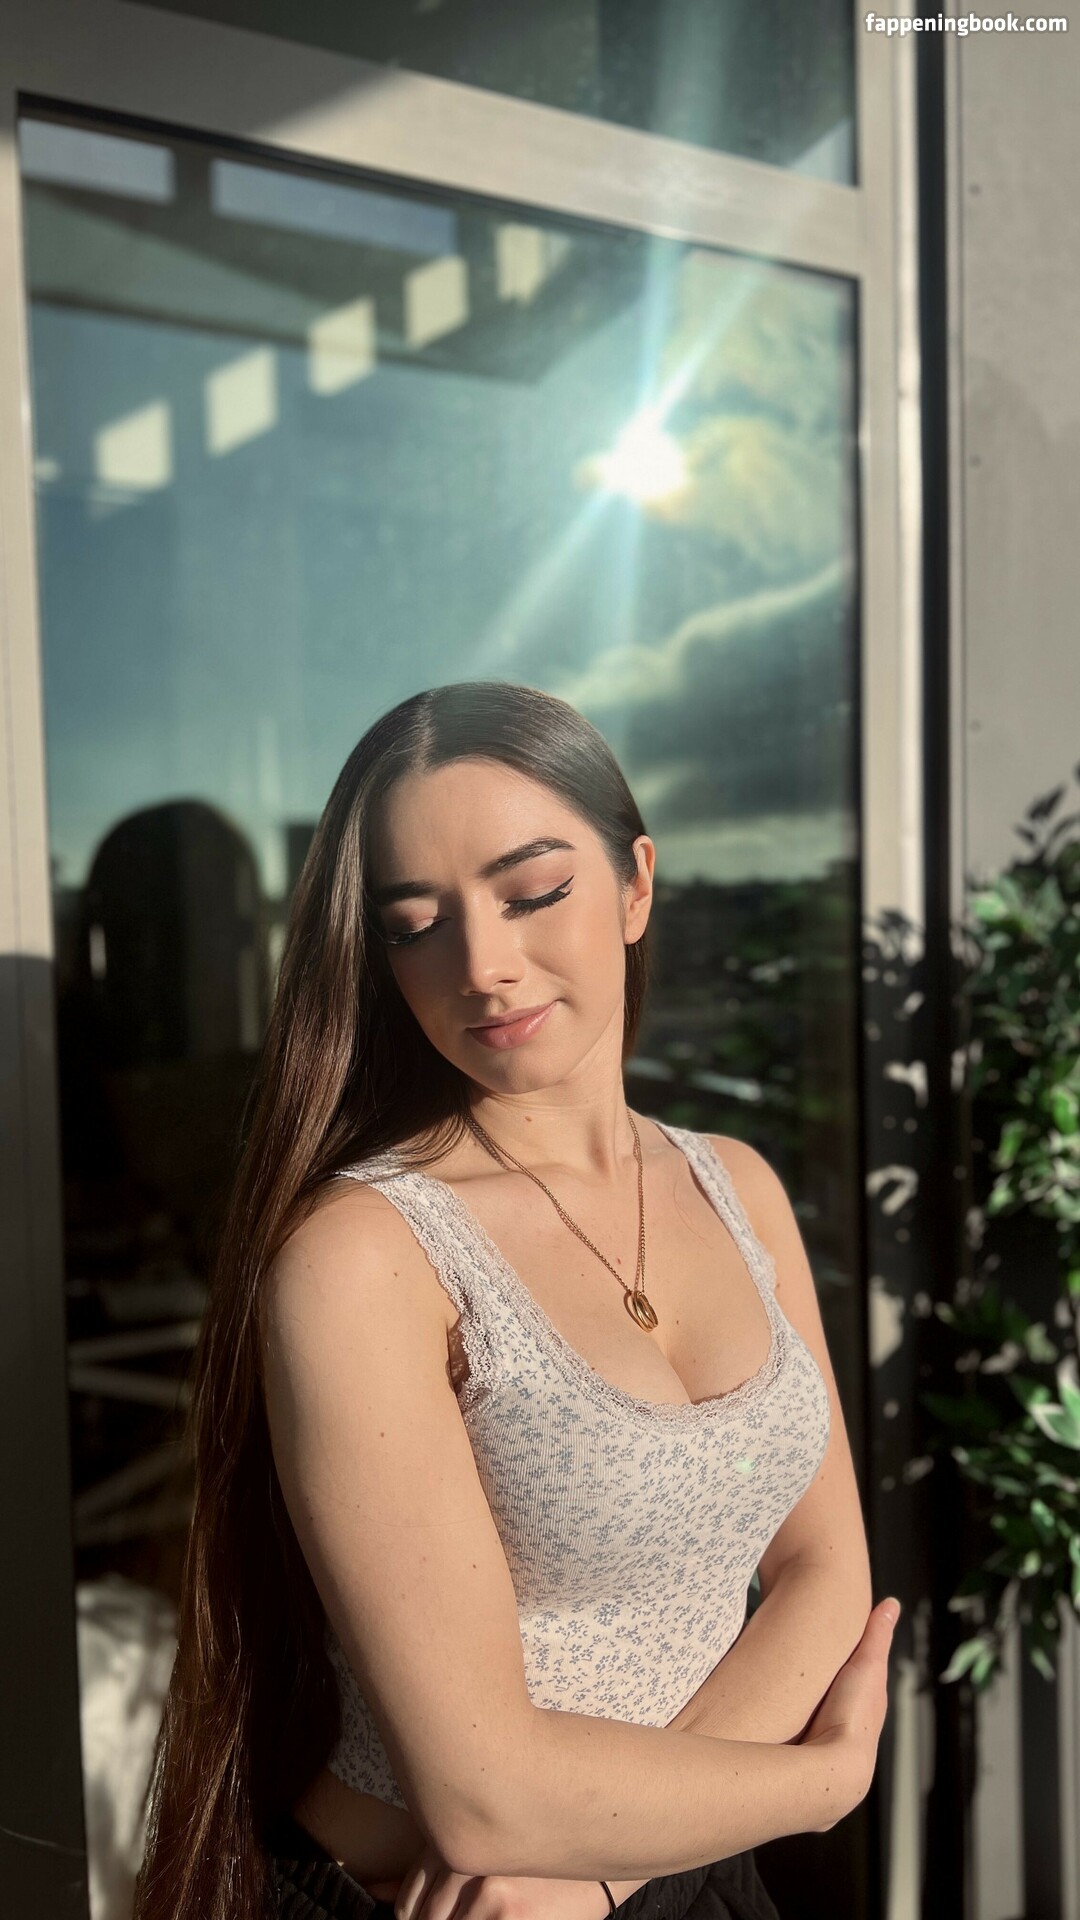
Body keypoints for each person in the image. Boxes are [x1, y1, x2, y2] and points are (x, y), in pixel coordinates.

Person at [134, 680, 899, 1920]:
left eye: (533, 892)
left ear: (635, 885)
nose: (482, 965)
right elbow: (480, 1798)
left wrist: (607, 1867)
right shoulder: (366, 1253)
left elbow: (823, 1573)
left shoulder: (737, 1187)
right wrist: (820, 1785)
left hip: (667, 1878)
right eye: (414, 925)